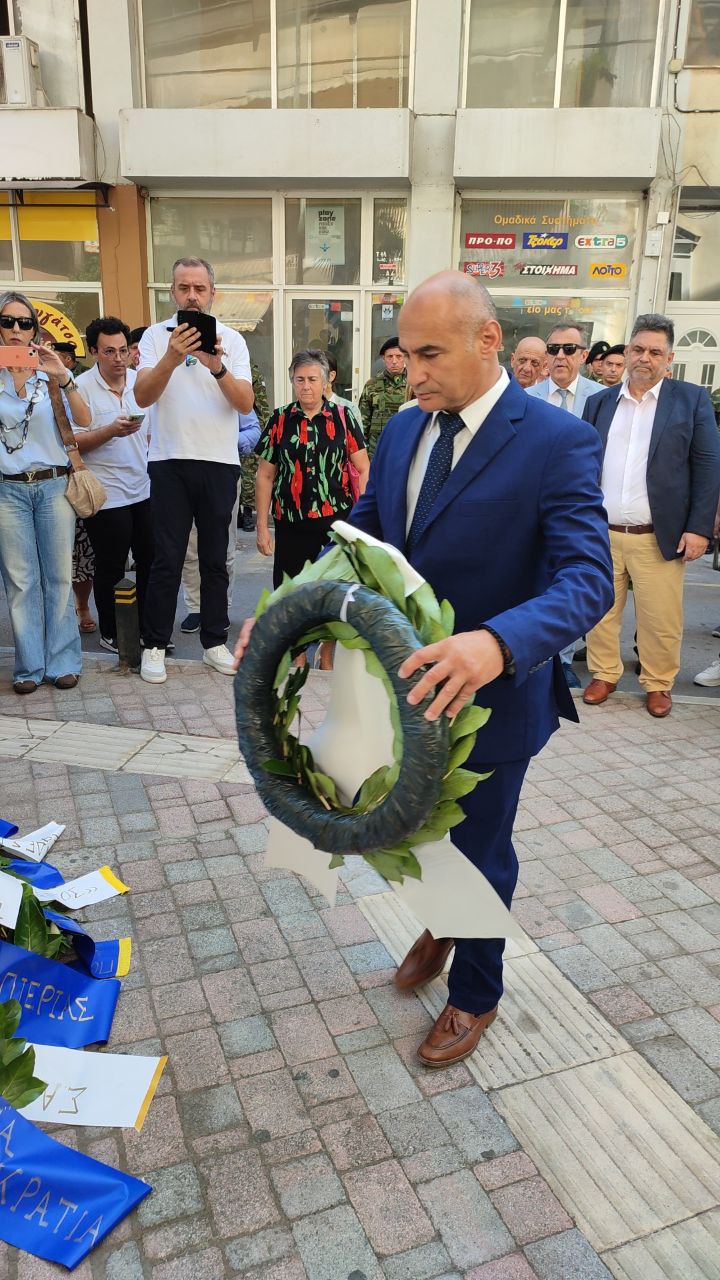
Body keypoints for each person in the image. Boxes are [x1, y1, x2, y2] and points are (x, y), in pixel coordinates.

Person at [236, 272, 613, 1067]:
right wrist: (290, 617)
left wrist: (497, 644)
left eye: (429, 354)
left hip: (494, 698)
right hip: (402, 693)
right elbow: (360, 540)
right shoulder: (406, 429)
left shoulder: (556, 441)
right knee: (415, 829)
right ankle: (443, 921)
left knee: (481, 850)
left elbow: (588, 579)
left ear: (488, 340)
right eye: (406, 355)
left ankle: (476, 992)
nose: (411, 374)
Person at [583, 313, 720, 718]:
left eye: (655, 352)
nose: (645, 358)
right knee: (600, 611)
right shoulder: (599, 403)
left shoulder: (690, 400)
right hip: (601, 532)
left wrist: (698, 529)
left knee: (661, 618)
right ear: (627, 351)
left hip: (658, 534)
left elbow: (708, 466)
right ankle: (603, 673)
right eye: (639, 349)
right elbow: (582, 464)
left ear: (669, 358)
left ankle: (658, 682)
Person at [134, 255, 254, 684]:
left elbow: (245, 403)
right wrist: (172, 357)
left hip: (219, 463)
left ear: (212, 293)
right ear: (172, 291)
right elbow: (142, 396)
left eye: (199, 288)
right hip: (169, 460)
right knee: (166, 558)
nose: (192, 296)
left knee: (215, 560)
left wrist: (215, 365)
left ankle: (214, 642)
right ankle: (154, 645)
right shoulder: (154, 337)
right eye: (183, 287)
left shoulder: (231, 340)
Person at [0, 290, 91, 693]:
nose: (16, 330)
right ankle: (29, 666)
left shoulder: (49, 375)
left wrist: (63, 375)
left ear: (34, 330)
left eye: (24, 323)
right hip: (8, 489)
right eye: (7, 322)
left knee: (58, 577)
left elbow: (85, 419)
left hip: (53, 485)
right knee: (20, 582)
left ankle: (64, 662)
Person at [255, 349, 370, 600]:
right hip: (290, 523)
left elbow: (363, 468)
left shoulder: (343, 417)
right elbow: (265, 476)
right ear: (292, 382)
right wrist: (262, 527)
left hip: (335, 522)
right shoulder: (280, 419)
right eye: (300, 379)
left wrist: (362, 521)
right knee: (289, 596)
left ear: (325, 381)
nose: (306, 386)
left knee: (334, 595)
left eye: (312, 379)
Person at [528, 323, 604, 686]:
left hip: (580, 506)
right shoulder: (527, 396)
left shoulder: (602, 398)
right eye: (553, 348)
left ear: (584, 355)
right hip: (533, 506)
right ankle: (538, 655)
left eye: (569, 349)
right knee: (537, 581)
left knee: (572, 580)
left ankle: (565, 659)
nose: (560, 356)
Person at [74, 317, 153, 654]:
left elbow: (153, 434)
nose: (119, 358)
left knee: (150, 561)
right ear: (93, 352)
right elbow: (73, 443)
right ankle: (111, 631)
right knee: (111, 566)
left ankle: (147, 629)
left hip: (144, 488)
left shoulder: (140, 383)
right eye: (109, 352)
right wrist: (110, 431)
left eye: (124, 350)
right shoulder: (79, 388)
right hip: (105, 495)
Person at [180, 408, 261, 634]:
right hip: (184, 475)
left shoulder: (230, 389)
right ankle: (195, 608)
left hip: (223, 472)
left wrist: (224, 439)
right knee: (190, 546)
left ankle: (220, 607)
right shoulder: (178, 389)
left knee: (223, 546)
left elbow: (253, 430)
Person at [359, 336, 407, 456]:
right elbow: (362, 424)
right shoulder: (372, 385)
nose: (394, 361)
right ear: (383, 359)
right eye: (390, 357)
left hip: (406, 449)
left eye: (399, 356)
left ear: (405, 358)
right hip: (377, 451)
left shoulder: (415, 385)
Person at [238, 362, 270, 534]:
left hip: (249, 427)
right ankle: (237, 513)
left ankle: (248, 512)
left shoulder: (252, 373)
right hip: (229, 426)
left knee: (249, 472)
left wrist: (262, 432)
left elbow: (262, 405)